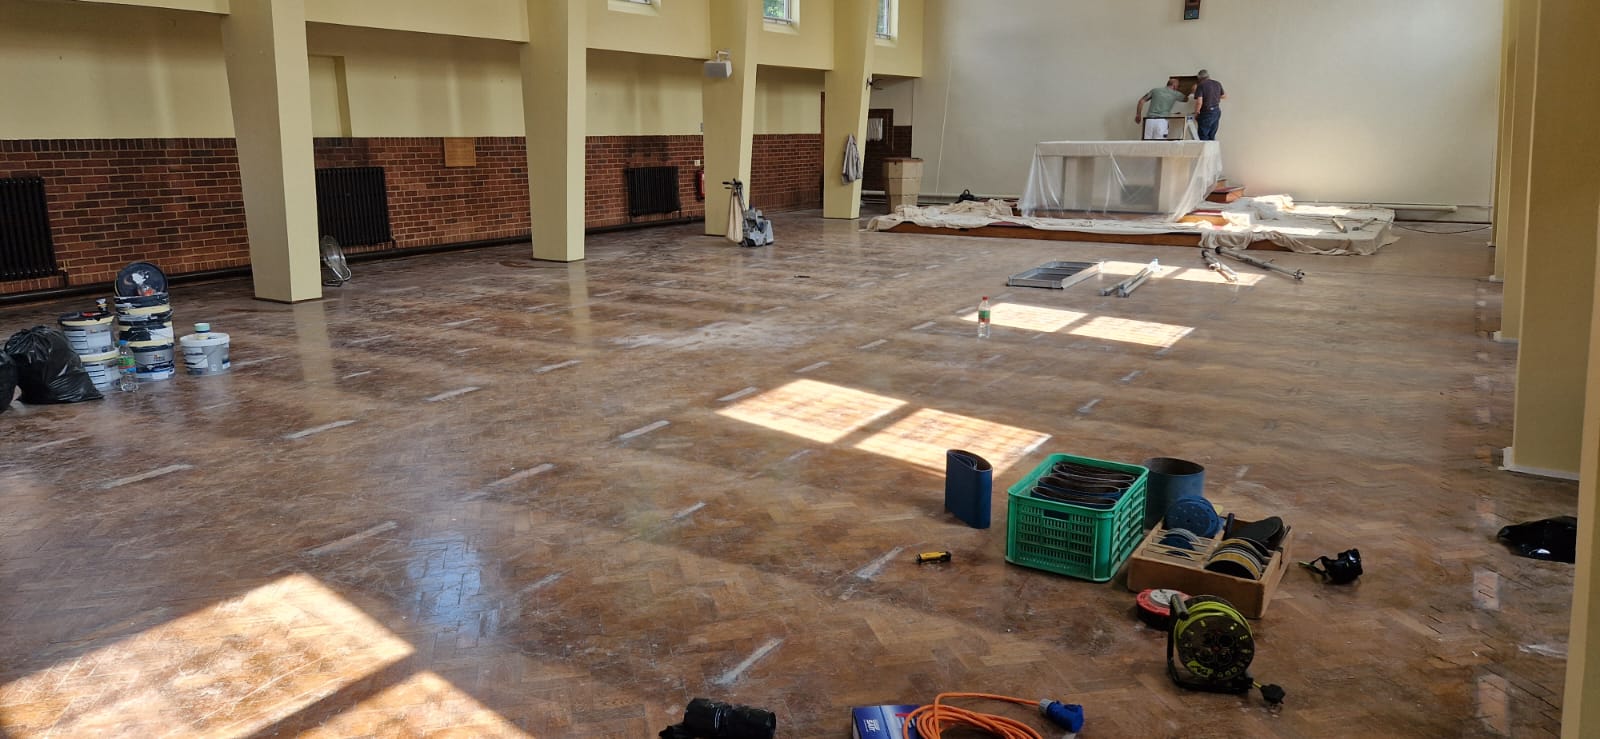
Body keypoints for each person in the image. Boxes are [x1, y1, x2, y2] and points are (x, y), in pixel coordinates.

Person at [1193, 69, 1227, 141]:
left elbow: (1199, 102)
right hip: (1216, 111)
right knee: (1212, 135)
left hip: (1206, 113)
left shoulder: (1201, 85)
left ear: (1199, 78)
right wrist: (1214, 95)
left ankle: (1205, 152)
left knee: (1203, 136)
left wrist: (1196, 112)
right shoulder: (1217, 83)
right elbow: (1224, 96)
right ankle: (1212, 152)